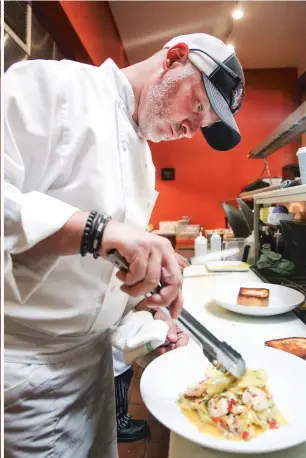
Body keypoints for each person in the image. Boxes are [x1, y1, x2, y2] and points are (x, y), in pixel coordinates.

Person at [4, 33, 244, 458]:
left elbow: (99, 278)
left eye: (202, 125)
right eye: (198, 105)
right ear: (174, 58)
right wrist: (97, 231)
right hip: (27, 376)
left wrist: (146, 310)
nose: (191, 130)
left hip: (92, 372)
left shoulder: (143, 160)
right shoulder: (52, 87)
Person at [114, 253, 190, 443]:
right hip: (66, 348)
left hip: (114, 322)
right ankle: (119, 424)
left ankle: (117, 422)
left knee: (121, 373)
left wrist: (157, 311)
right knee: (116, 376)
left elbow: (117, 288)